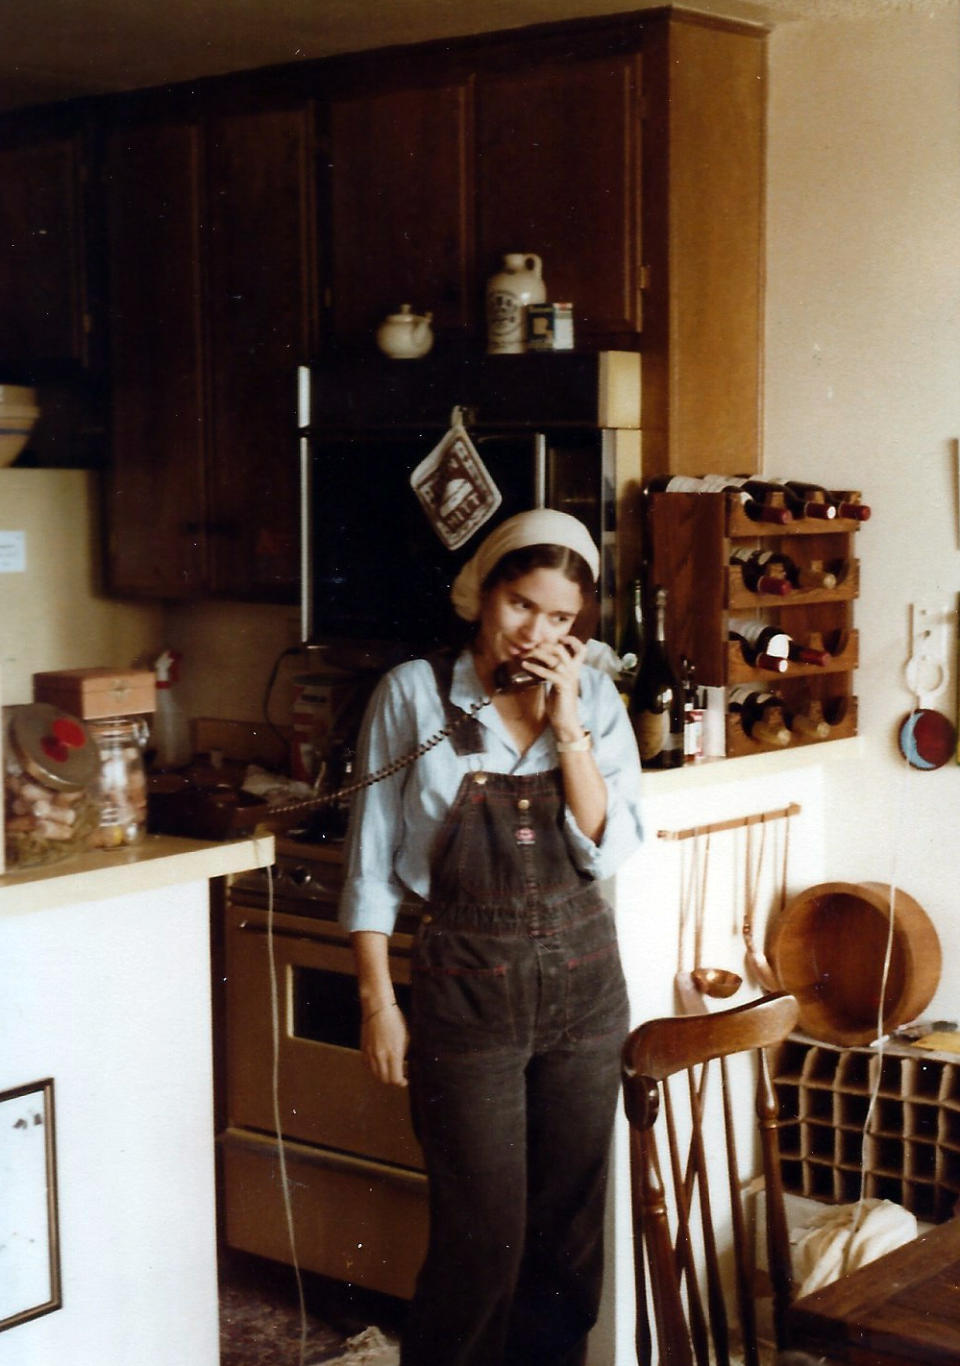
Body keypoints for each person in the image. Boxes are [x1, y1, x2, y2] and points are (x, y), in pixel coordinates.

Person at [339, 508, 644, 1366]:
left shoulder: (593, 698)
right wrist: (377, 1003)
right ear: (483, 592)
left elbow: (609, 841)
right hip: (464, 988)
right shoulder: (414, 692)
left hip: (585, 983)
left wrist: (568, 724)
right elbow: (368, 864)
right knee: (482, 1240)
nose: (535, 631)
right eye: (520, 604)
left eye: (559, 619)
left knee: (569, 1237)